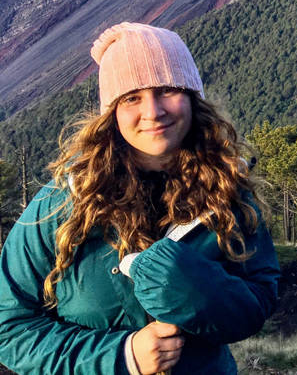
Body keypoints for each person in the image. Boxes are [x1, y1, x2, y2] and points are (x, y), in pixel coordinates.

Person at [0, 22, 279, 374]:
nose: (153, 111)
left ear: (192, 96)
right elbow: (9, 327)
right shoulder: (61, 203)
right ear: (112, 112)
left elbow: (258, 303)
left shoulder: (227, 192)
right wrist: (123, 355)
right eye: (132, 97)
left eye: (167, 89)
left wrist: (190, 288)